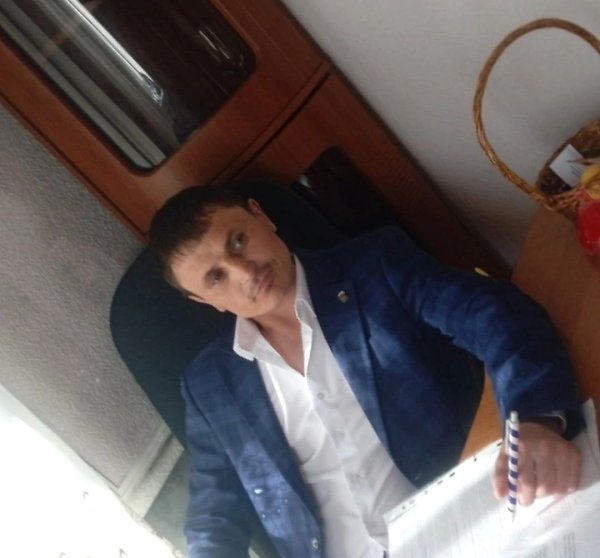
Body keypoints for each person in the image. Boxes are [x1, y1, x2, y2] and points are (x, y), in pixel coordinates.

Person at [149, 184, 583, 558]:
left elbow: (492, 316)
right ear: (205, 301)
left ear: (261, 216)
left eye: (239, 240)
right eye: (216, 278)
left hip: (467, 524)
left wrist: (535, 419)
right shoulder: (208, 385)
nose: (244, 271)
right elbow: (213, 518)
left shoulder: (375, 265)